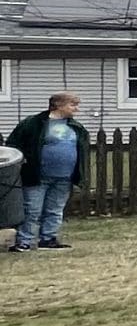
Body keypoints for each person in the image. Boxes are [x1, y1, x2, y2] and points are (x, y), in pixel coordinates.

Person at [9, 91, 87, 252]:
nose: (76, 109)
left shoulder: (76, 127)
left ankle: (48, 239)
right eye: (73, 105)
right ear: (58, 105)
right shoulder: (33, 124)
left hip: (64, 177)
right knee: (32, 209)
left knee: (55, 210)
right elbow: (14, 145)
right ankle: (24, 241)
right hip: (37, 176)